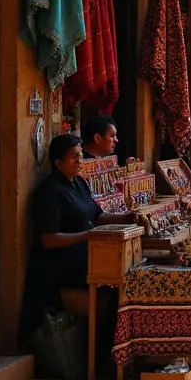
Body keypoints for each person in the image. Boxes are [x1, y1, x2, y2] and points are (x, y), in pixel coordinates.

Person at [21, 134, 133, 340]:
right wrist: (86, 236)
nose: (80, 161)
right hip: (62, 261)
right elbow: (48, 239)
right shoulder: (49, 192)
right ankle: (105, 350)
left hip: (85, 251)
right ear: (58, 163)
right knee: (115, 285)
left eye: (81, 156)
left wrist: (128, 218)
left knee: (127, 278)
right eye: (74, 157)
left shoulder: (79, 183)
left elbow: (97, 215)